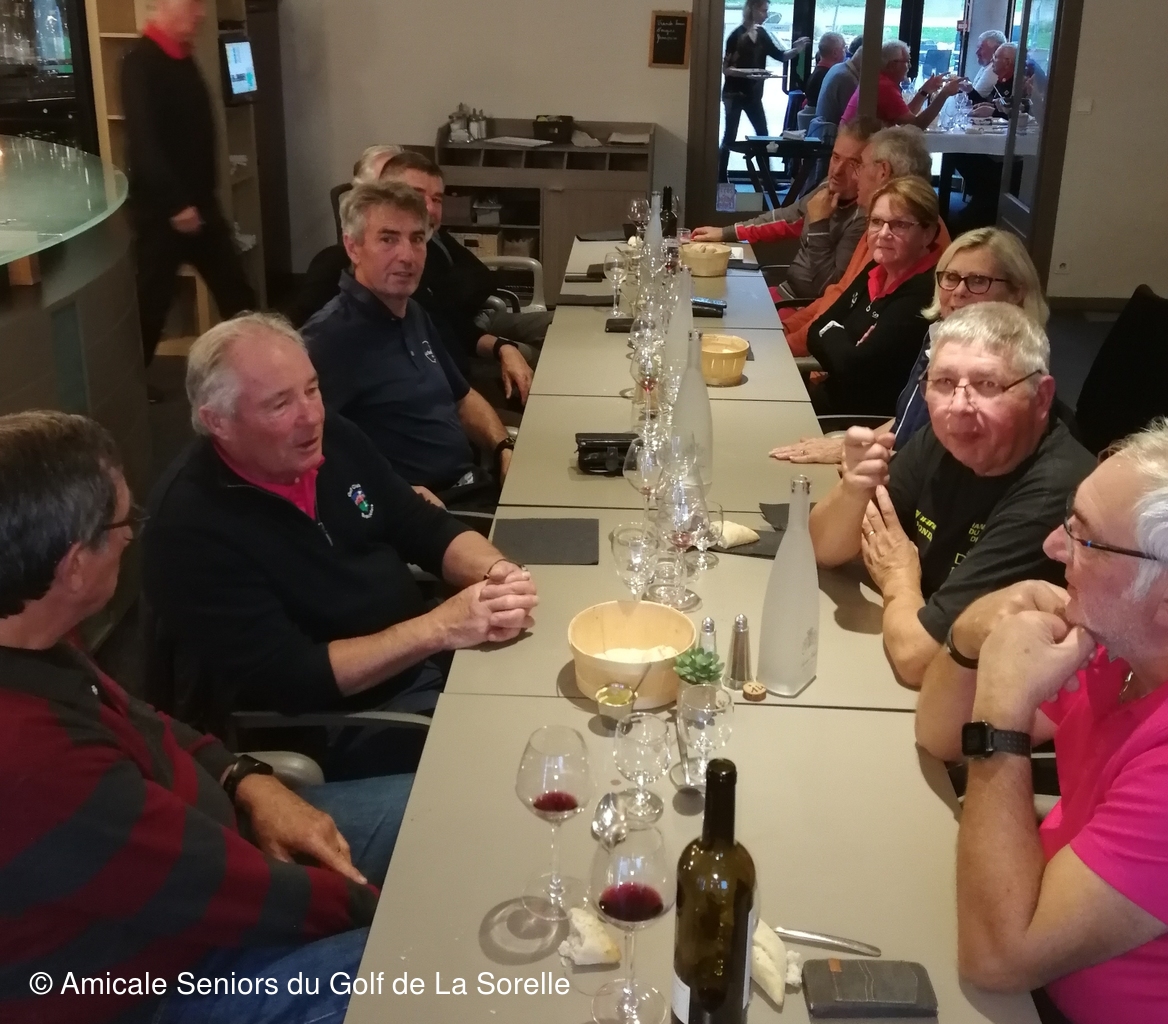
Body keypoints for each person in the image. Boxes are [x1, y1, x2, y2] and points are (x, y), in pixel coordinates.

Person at [0, 410, 413, 1024]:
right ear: (74, 565)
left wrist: (243, 777)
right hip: (157, 980)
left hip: (218, 850)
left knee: (444, 809)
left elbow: (144, 722)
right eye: (123, 523)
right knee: (437, 966)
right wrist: (385, 909)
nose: (132, 536)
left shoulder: (32, 639)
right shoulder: (31, 758)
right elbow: (213, 889)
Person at [143, 314, 538, 779]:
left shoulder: (331, 439)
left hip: (426, 666)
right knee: (517, 771)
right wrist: (439, 628)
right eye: (280, 404)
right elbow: (294, 677)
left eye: (312, 389)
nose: (311, 416)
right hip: (346, 726)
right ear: (218, 422)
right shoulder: (190, 526)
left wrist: (498, 573)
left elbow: (421, 525)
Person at [915, 422, 1168, 1024]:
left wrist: (1001, 712)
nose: (1054, 546)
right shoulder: (1119, 646)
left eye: (1085, 538)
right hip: (1020, 955)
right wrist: (972, 633)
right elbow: (939, 735)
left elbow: (996, 960)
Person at [808, 302, 1094, 685]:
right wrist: (853, 490)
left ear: (1041, 398)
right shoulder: (950, 439)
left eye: (987, 385)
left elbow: (917, 657)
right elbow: (822, 548)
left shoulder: (1054, 492)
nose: (958, 407)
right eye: (943, 382)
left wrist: (898, 580)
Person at [302, 182, 517, 508]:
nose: (407, 256)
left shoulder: (412, 312)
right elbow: (301, 455)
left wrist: (503, 448)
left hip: (473, 487)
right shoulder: (327, 339)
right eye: (388, 239)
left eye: (416, 239)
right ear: (352, 247)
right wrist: (393, 496)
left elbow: (461, 399)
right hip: (424, 512)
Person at [773, 226, 1049, 464]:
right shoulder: (938, 335)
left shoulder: (1011, 367)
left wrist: (850, 454)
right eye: (951, 278)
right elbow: (903, 424)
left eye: (978, 281)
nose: (959, 291)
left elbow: (944, 463)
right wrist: (845, 446)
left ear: (1017, 292)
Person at [121, 0, 254, 381]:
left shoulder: (184, 57)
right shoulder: (140, 62)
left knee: (237, 293)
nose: (200, 14)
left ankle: (263, 369)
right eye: (192, 4)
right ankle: (126, 389)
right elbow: (144, 145)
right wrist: (176, 204)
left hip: (201, 206)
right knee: (150, 307)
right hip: (163, 214)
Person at [381, 150, 550, 405]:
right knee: (546, 362)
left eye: (436, 199)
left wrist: (501, 346)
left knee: (561, 334)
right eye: (415, 195)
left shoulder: (433, 245)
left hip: (463, 362)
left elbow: (478, 285)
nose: (429, 208)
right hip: (451, 389)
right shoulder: (384, 288)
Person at [780, 124, 950, 356]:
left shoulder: (896, 239)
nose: (854, 175)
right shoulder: (882, 222)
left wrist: (786, 345)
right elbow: (838, 294)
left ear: (883, 172)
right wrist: (786, 331)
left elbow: (844, 320)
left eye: (859, 165)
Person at [691, 118, 878, 300]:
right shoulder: (827, 187)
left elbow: (829, 288)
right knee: (707, 296)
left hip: (804, 306)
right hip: (786, 292)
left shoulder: (864, 218)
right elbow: (786, 218)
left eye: (853, 164)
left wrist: (819, 224)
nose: (837, 171)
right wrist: (726, 232)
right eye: (835, 157)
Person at [805, 176, 943, 415]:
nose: (884, 233)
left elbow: (855, 369)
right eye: (877, 222)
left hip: (859, 422)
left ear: (928, 233)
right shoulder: (876, 268)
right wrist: (844, 343)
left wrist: (834, 332)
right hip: (830, 399)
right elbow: (815, 330)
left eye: (899, 225)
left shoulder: (925, 293)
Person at [718, 0, 810, 182]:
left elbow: (780, 56)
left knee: (763, 135)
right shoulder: (736, 36)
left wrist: (796, 50)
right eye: (763, 10)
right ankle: (721, 178)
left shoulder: (762, 34)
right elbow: (726, 69)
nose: (766, 15)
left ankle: (768, 180)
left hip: (753, 95)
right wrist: (749, 73)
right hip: (733, 94)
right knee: (730, 136)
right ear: (751, 9)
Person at [840, 39, 964, 129]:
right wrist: (944, 94)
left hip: (853, 141)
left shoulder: (879, 80)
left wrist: (925, 90)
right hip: (858, 148)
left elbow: (905, 116)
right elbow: (916, 126)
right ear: (892, 65)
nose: (909, 65)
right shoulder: (884, 87)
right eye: (907, 61)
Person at [808, 44, 861, 140]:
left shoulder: (837, 67)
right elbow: (853, 120)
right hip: (831, 139)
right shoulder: (847, 78)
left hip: (821, 134)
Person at [802, 32, 847, 116]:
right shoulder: (832, 78)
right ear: (835, 53)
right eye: (844, 48)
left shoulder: (816, 74)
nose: (845, 52)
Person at [969, 41, 1017, 116]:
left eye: (995, 57)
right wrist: (970, 90)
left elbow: (1015, 117)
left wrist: (993, 112)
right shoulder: (1001, 81)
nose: (992, 60)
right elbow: (999, 108)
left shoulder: (1016, 86)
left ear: (1007, 63)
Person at [968, 29, 1007, 97]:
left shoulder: (993, 69)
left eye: (981, 48)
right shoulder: (986, 66)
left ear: (996, 50)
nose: (977, 52)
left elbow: (973, 97)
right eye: (978, 47)